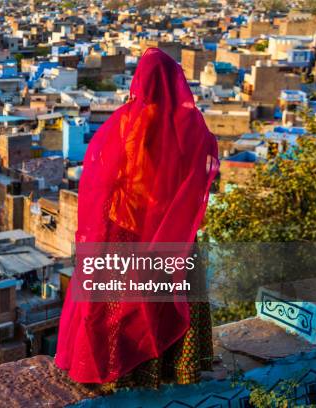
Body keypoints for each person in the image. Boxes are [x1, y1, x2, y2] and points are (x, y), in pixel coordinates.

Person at [55, 48, 219, 388]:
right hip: (171, 231)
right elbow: (202, 170)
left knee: (119, 305)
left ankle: (121, 370)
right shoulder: (192, 126)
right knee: (165, 301)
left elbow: (102, 176)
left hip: (128, 226)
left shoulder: (128, 121)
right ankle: (174, 369)